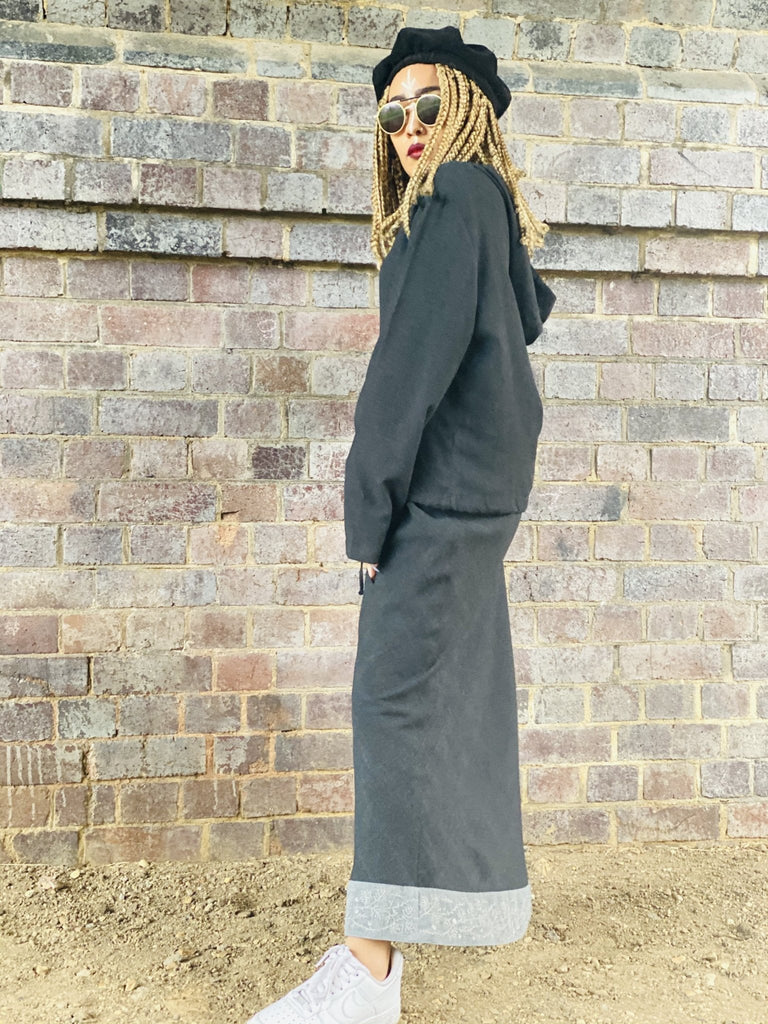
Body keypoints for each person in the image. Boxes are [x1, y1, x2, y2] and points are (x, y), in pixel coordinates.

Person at [244, 25, 556, 1024]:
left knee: (388, 704)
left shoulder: (452, 196)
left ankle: (368, 974)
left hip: (438, 501)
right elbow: (512, 330)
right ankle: (384, 946)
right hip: (474, 500)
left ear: (463, 111)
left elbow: (405, 375)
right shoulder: (484, 205)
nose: (409, 125)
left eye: (428, 105)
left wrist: (369, 516)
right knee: (444, 705)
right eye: (392, 112)